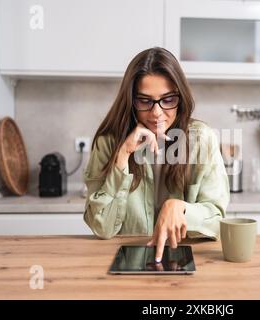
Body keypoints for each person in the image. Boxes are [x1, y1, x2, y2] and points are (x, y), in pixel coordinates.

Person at [83, 47, 230, 262]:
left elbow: (217, 222)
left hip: (184, 262)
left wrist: (180, 208)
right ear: (131, 101)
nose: (157, 113)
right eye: (145, 101)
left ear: (181, 97)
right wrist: (123, 155)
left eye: (168, 100)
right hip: (125, 263)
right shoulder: (108, 143)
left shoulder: (202, 139)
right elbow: (101, 228)